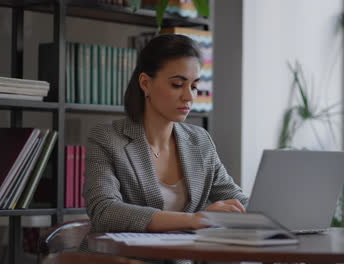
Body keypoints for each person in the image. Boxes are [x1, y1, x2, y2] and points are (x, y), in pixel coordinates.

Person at [82, 33, 248, 244]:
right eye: (178, 84)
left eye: (194, 86)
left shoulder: (200, 141)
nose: (189, 97)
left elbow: (236, 199)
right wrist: (194, 219)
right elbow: (104, 211)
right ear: (145, 83)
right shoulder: (107, 138)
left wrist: (271, 213)